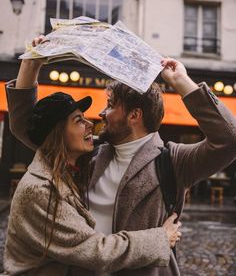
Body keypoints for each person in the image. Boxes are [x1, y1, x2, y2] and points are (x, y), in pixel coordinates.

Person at [5, 36, 236, 276]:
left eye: (111, 105)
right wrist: (30, 66)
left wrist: (181, 81)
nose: (101, 113)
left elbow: (229, 140)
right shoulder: (90, 152)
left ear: (134, 115)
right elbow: (31, 129)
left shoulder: (175, 160)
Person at [3, 89, 181, 276]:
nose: (90, 124)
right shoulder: (40, 189)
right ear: (58, 132)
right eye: (79, 120)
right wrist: (160, 239)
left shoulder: (70, 169)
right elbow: (96, 251)